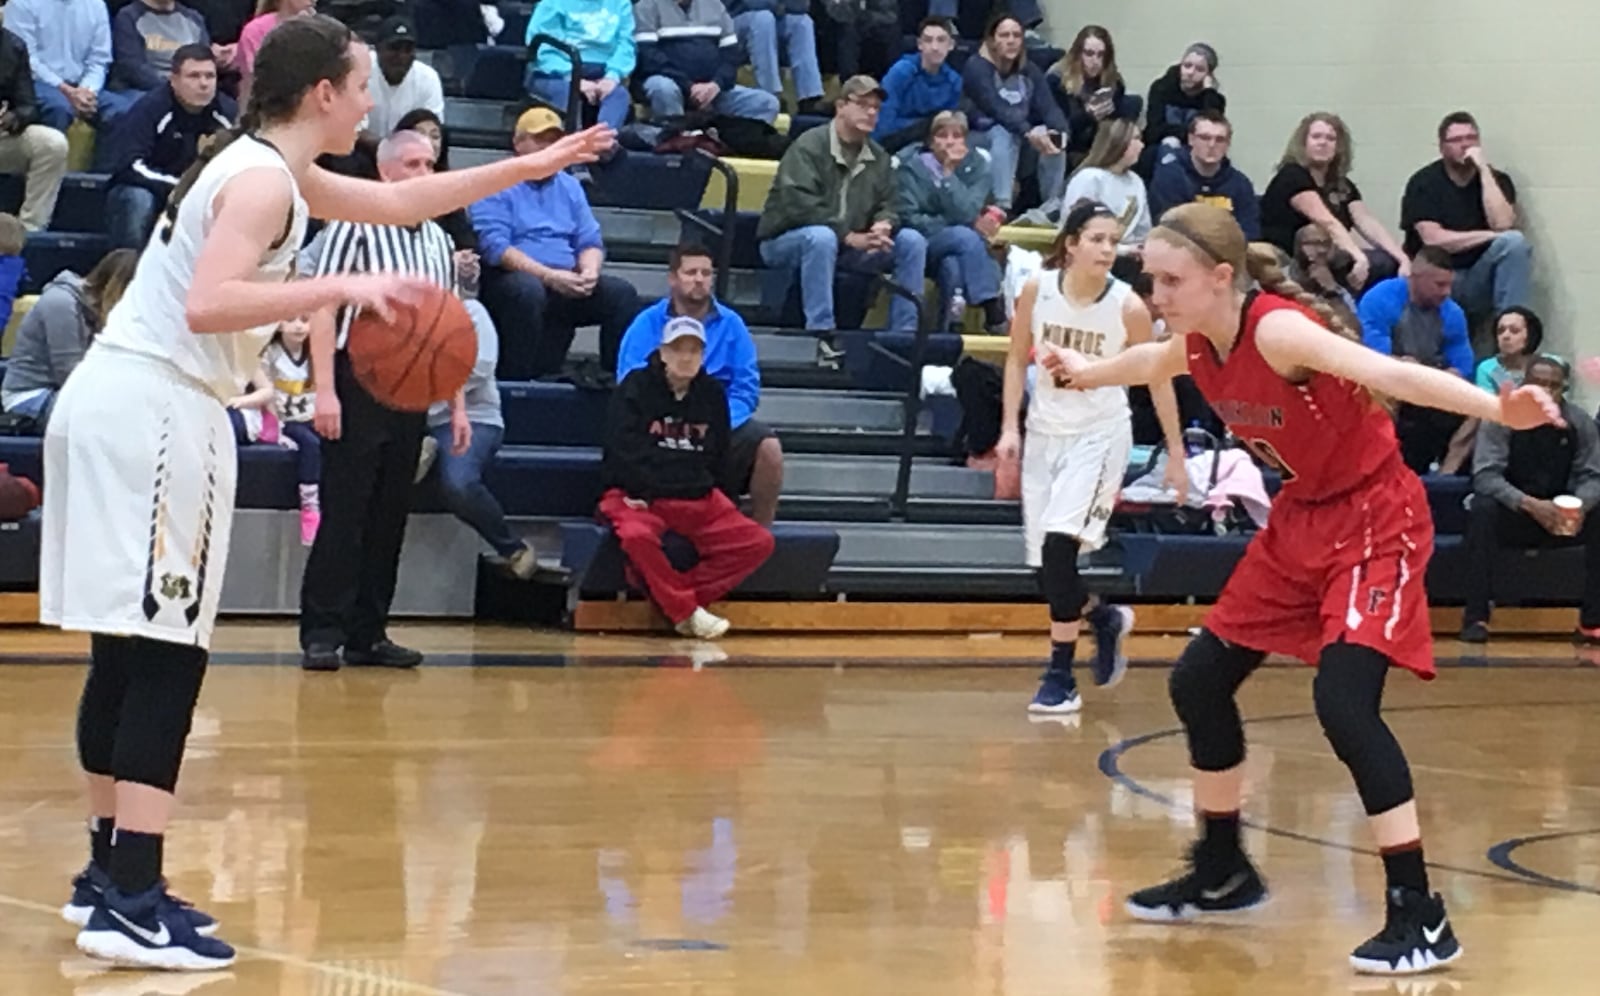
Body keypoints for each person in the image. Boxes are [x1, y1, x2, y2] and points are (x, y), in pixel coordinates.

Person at [44, 12, 610, 971]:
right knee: (167, 656)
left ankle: (110, 877)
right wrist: (336, 294)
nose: (369, 100)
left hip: (124, 403)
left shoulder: (267, 165)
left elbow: (401, 205)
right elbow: (208, 301)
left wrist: (524, 169)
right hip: (156, 409)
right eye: (359, 87)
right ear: (322, 95)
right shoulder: (266, 179)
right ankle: (132, 890)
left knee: (129, 648)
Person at [1045, 202, 1560, 975]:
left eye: (1169, 279)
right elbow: (1151, 364)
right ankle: (1223, 868)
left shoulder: (1275, 330)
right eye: (1149, 278)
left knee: (1344, 704)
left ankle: (1420, 914)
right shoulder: (1198, 340)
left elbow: (1389, 374)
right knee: (1201, 679)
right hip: (1303, 521)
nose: (1155, 293)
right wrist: (1085, 373)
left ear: (1222, 278)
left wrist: (1499, 407)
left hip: (1376, 517)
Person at [296, 130, 476, 671]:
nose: (425, 173)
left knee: (389, 515)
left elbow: (449, 329)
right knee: (346, 512)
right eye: (414, 164)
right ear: (387, 173)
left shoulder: (441, 242)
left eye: (431, 164)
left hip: (414, 386)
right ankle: (322, 632)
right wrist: (324, 390)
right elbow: (323, 307)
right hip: (356, 380)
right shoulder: (355, 224)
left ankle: (369, 632)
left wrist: (458, 404)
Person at [996, 201, 1185, 715]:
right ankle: (1100, 617)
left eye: (1114, 239)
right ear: (1072, 243)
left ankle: (1060, 674)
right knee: (1045, 569)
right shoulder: (1038, 288)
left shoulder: (1128, 307)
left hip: (1100, 435)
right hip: (1044, 432)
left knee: (1060, 549)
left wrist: (1176, 453)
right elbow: (1015, 358)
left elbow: (1159, 377)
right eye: (1098, 239)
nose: (1108, 249)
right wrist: (1009, 429)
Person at [600, 315, 775, 639]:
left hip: (697, 495)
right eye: (678, 349)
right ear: (663, 352)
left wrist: (718, 495)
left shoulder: (711, 394)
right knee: (637, 537)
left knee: (757, 543)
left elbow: (719, 456)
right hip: (642, 494)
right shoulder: (634, 388)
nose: (686, 357)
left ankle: (675, 602)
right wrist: (644, 488)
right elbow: (619, 450)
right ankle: (685, 610)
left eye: (694, 350)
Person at [618, 244, 784, 526]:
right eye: (691, 272)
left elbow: (745, 389)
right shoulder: (646, 324)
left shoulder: (733, 325)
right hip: (661, 423)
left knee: (769, 447)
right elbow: (629, 385)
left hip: (721, 421)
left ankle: (761, 533)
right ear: (673, 278)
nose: (699, 279)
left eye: (706, 273)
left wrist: (715, 421)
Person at [1461, 356, 1600, 645]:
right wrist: (1531, 505)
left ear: (1564, 389)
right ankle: (1476, 617)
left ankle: (1591, 621)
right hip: (1514, 511)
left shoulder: (1579, 422)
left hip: (1562, 513)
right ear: (1526, 385)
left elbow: (1593, 475)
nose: (1547, 391)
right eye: (1539, 384)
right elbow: (1486, 475)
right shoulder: (1501, 418)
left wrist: (1577, 506)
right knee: (1482, 509)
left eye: (1554, 385)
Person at [103, 44, 236, 249]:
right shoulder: (150, 108)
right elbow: (129, 166)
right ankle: (126, 271)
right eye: (194, 76)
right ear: (173, 80)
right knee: (136, 199)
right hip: (151, 189)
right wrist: (178, 187)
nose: (203, 84)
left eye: (210, 76)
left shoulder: (227, 113)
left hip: (201, 194)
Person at [1260, 112, 1407, 295]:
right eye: (1316, 137)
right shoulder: (1292, 175)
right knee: (1358, 263)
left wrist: (1402, 258)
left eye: (1331, 138)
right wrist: (1358, 256)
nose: (1323, 142)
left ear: (1339, 147)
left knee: (1385, 262)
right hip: (1292, 260)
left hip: (1329, 257)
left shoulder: (1341, 184)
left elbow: (1366, 221)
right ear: (1303, 143)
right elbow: (1326, 221)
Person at [0, 248, 138, 428]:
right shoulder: (61, 303)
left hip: (65, 393)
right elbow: (68, 373)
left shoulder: (94, 308)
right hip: (29, 395)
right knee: (112, 418)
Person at [0, 25, 71, 231]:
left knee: (52, 143)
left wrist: (15, 117)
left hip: (3, 136)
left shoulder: (13, 46)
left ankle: (30, 229)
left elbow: (28, 105)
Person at [1474, 306, 1543, 393]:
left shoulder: (1549, 366)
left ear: (1531, 335)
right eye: (1500, 331)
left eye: (1514, 331)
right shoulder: (1486, 369)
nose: (1505, 336)